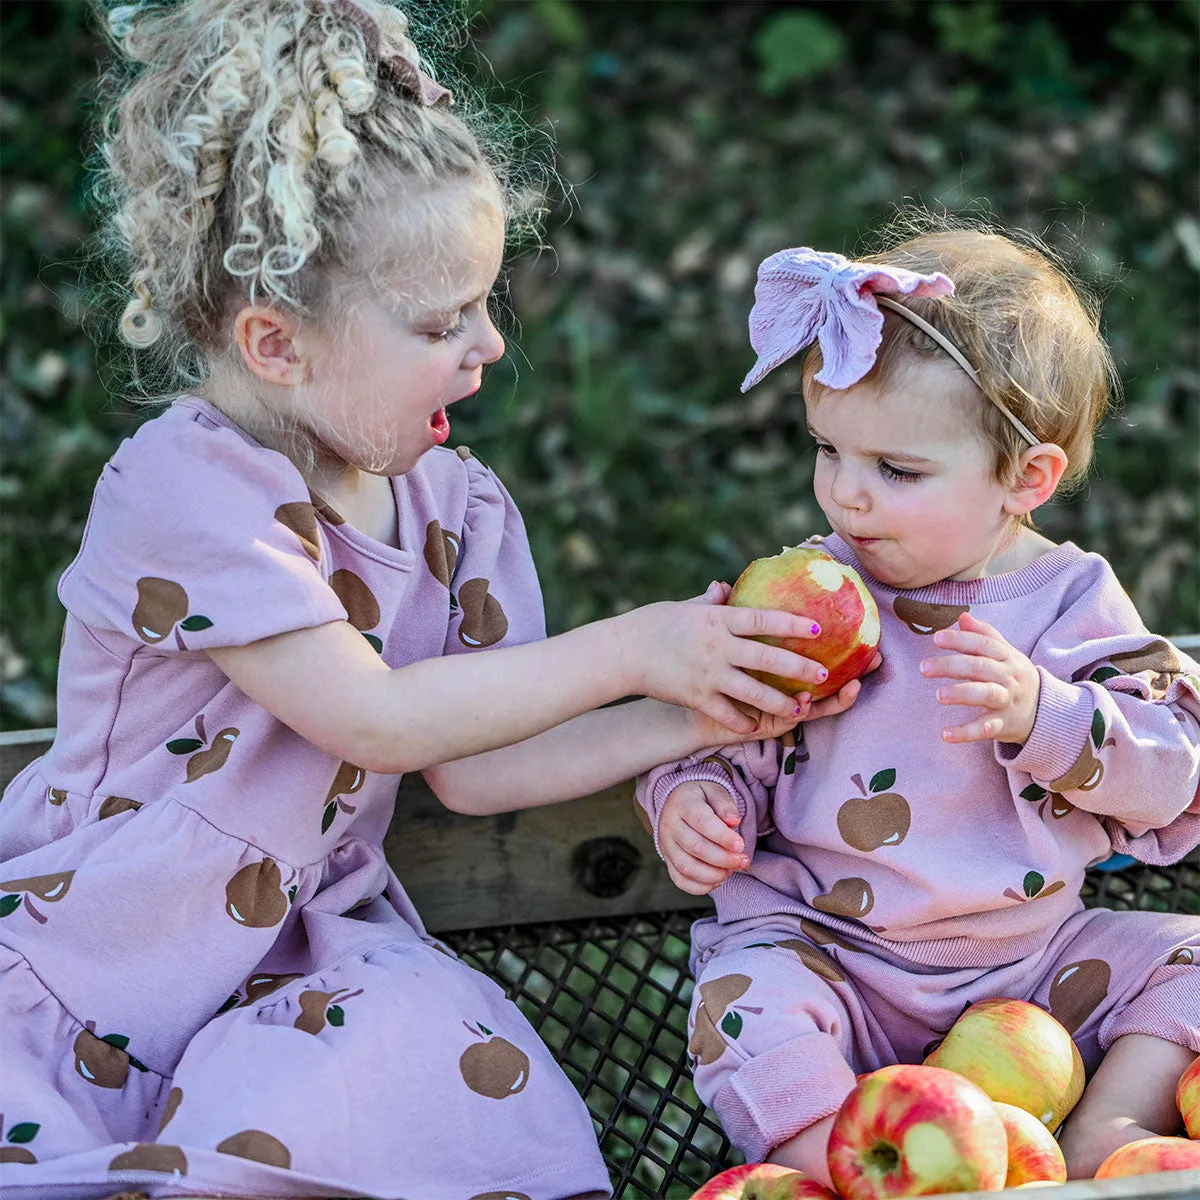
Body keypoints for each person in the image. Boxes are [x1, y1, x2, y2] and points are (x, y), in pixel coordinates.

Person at [0, 2, 870, 1197]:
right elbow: (381, 721)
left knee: (416, 1080)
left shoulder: (453, 510)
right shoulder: (187, 490)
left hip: (302, 967)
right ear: (275, 342)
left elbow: (477, 767)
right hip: (104, 959)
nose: (490, 345)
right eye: (440, 321)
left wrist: (710, 709)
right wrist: (638, 646)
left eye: (487, 304)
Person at [638, 219, 1200, 1184]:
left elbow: (1174, 762)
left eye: (896, 471)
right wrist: (699, 796)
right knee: (741, 1001)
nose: (846, 499)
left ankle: (1100, 1135)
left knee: (1190, 957)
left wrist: (1048, 716)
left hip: (1032, 964)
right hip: (833, 955)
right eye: (829, 452)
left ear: (1026, 480)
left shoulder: (1071, 605)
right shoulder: (808, 590)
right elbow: (728, 721)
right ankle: (838, 1163)